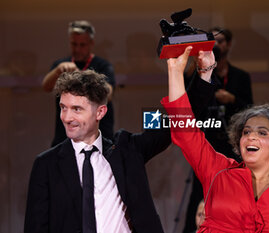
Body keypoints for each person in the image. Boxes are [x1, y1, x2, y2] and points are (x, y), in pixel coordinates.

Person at [25, 58, 216, 232]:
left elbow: (175, 120)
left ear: (100, 112)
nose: (67, 118)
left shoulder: (127, 150)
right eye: (63, 108)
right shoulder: (46, 164)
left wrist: (204, 73)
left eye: (77, 109)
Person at [161, 46, 269, 232]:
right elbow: (185, 131)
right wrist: (175, 70)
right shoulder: (217, 171)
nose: (251, 137)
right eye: (246, 132)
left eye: (262, 133)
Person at [183, 27, 253, 233]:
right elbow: (187, 107)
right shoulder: (196, 75)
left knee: (236, 191)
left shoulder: (240, 77)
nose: (217, 45)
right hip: (206, 142)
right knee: (199, 193)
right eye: (212, 41)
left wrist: (232, 100)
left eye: (221, 41)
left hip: (233, 144)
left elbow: (252, 111)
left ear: (229, 44)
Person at [42, 20, 116, 146]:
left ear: (91, 43)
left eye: (82, 45)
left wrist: (79, 75)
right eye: (74, 44)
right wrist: (58, 70)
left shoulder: (102, 65)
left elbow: (108, 94)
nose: (77, 49)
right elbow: (46, 86)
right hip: (66, 136)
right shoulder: (62, 65)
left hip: (98, 136)